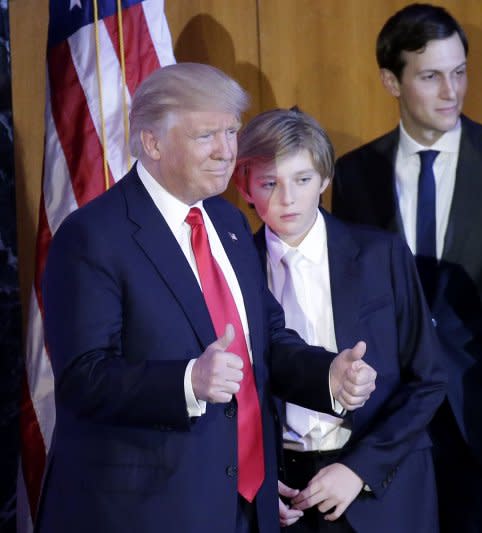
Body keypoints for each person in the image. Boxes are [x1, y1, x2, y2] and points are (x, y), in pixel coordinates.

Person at [37, 63, 377, 533]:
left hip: (243, 503)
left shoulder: (228, 223)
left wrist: (328, 376)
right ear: (152, 142)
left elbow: (267, 340)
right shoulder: (93, 235)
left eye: (231, 131)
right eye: (205, 136)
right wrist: (188, 380)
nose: (226, 151)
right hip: (144, 512)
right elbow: (83, 376)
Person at [332, 4, 482, 531]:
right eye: (431, 76)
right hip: (393, 421)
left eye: (459, 73)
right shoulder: (355, 173)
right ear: (392, 80)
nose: (451, 91)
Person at [233, 107, 446, 532]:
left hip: (379, 485)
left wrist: (359, 469)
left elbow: (429, 378)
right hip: (284, 495)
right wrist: (258, 479)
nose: (287, 198)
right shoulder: (235, 270)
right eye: (269, 183)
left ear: (325, 179)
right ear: (244, 186)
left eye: (302, 180)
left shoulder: (380, 256)